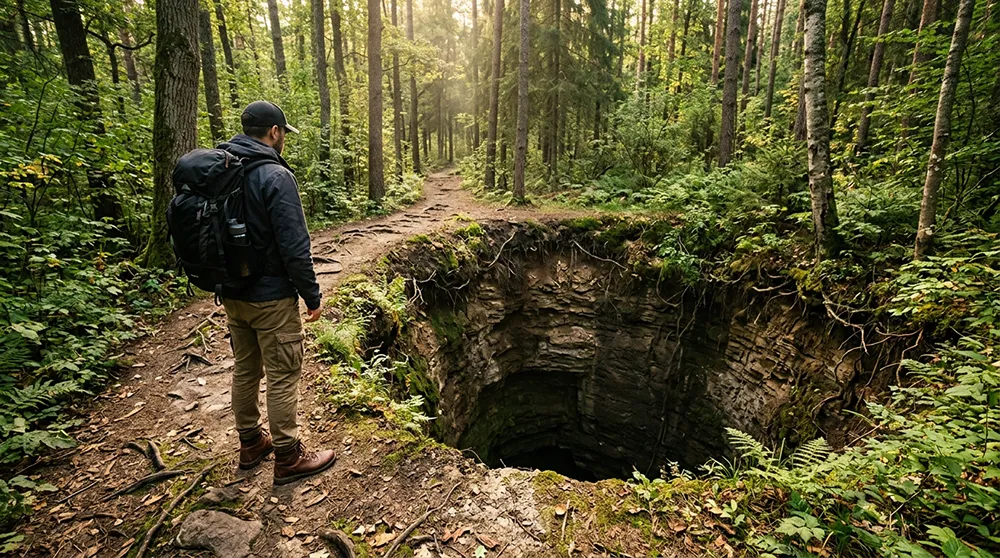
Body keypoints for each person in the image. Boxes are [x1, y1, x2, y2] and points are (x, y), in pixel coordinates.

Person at [216, 100, 336, 485]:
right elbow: (295, 246)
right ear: (274, 132)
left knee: (246, 368)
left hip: (233, 293)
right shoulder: (274, 175)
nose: (282, 139)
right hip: (270, 297)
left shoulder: (222, 170)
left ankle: (251, 443)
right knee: (284, 373)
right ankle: (288, 456)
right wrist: (312, 296)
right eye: (282, 133)